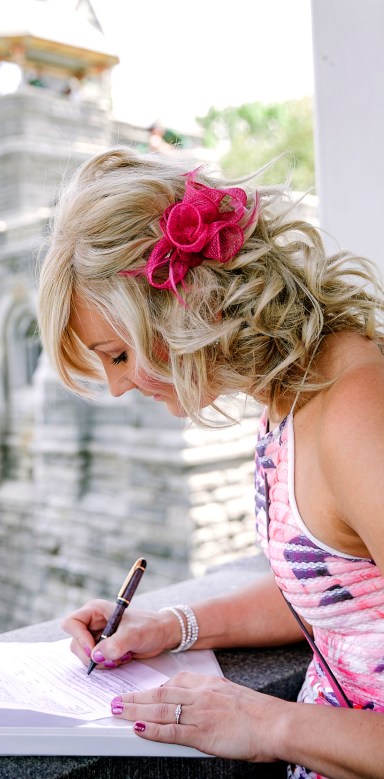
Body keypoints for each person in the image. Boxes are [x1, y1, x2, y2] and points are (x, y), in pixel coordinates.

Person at [37, 146, 384, 779]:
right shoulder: (295, 393)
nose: (118, 387)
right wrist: (174, 626)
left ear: (184, 307)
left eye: (117, 355)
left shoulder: (359, 414)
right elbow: (340, 593)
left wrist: (267, 724)